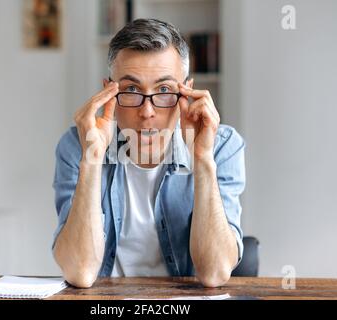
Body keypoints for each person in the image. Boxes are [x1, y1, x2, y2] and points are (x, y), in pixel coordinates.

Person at [52, 18, 246, 288]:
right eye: (131, 90)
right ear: (109, 92)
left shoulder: (222, 145)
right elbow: (80, 272)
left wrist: (202, 159)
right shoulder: (77, 146)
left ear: (186, 91)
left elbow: (214, 273)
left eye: (165, 90)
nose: (147, 112)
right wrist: (92, 159)